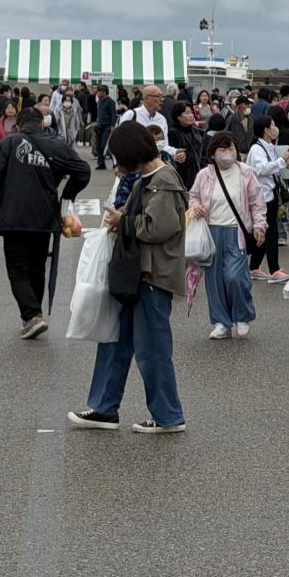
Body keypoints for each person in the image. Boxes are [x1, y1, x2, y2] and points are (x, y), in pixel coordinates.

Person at [69, 121, 189, 435]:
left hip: (153, 275)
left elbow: (158, 228)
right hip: (138, 273)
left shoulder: (162, 180)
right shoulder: (150, 178)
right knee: (115, 341)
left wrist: (123, 219)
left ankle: (168, 416)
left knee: (152, 350)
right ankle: (104, 409)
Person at [0, 106, 92, 339]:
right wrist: (66, 195)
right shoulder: (56, 145)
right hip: (44, 216)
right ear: (43, 124)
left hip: (13, 215)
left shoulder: (9, 144)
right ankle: (33, 314)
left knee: (18, 268)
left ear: (18, 125)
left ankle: (32, 315)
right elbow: (83, 171)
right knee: (36, 266)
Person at [189, 130, 266, 340]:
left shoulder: (246, 173)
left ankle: (242, 315)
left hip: (236, 232)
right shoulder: (204, 175)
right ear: (212, 153)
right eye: (222, 149)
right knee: (214, 280)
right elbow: (193, 196)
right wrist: (196, 206)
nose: (227, 153)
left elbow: (257, 203)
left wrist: (259, 226)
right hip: (210, 231)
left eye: (231, 148)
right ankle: (222, 322)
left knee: (234, 277)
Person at [247, 117, 289, 283]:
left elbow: (272, 166)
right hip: (261, 197)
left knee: (265, 232)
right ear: (266, 129)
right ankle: (274, 270)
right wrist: (281, 161)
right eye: (272, 125)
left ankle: (254, 268)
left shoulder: (269, 146)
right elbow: (262, 168)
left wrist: (283, 163)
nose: (275, 128)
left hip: (269, 194)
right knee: (270, 233)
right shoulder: (256, 149)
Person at [94, 85, 118, 170]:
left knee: (105, 145)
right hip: (100, 125)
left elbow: (113, 114)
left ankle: (115, 163)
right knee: (98, 146)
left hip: (107, 126)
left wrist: (112, 126)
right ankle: (101, 163)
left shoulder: (110, 101)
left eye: (100, 92)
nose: (98, 93)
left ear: (104, 92)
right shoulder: (100, 101)